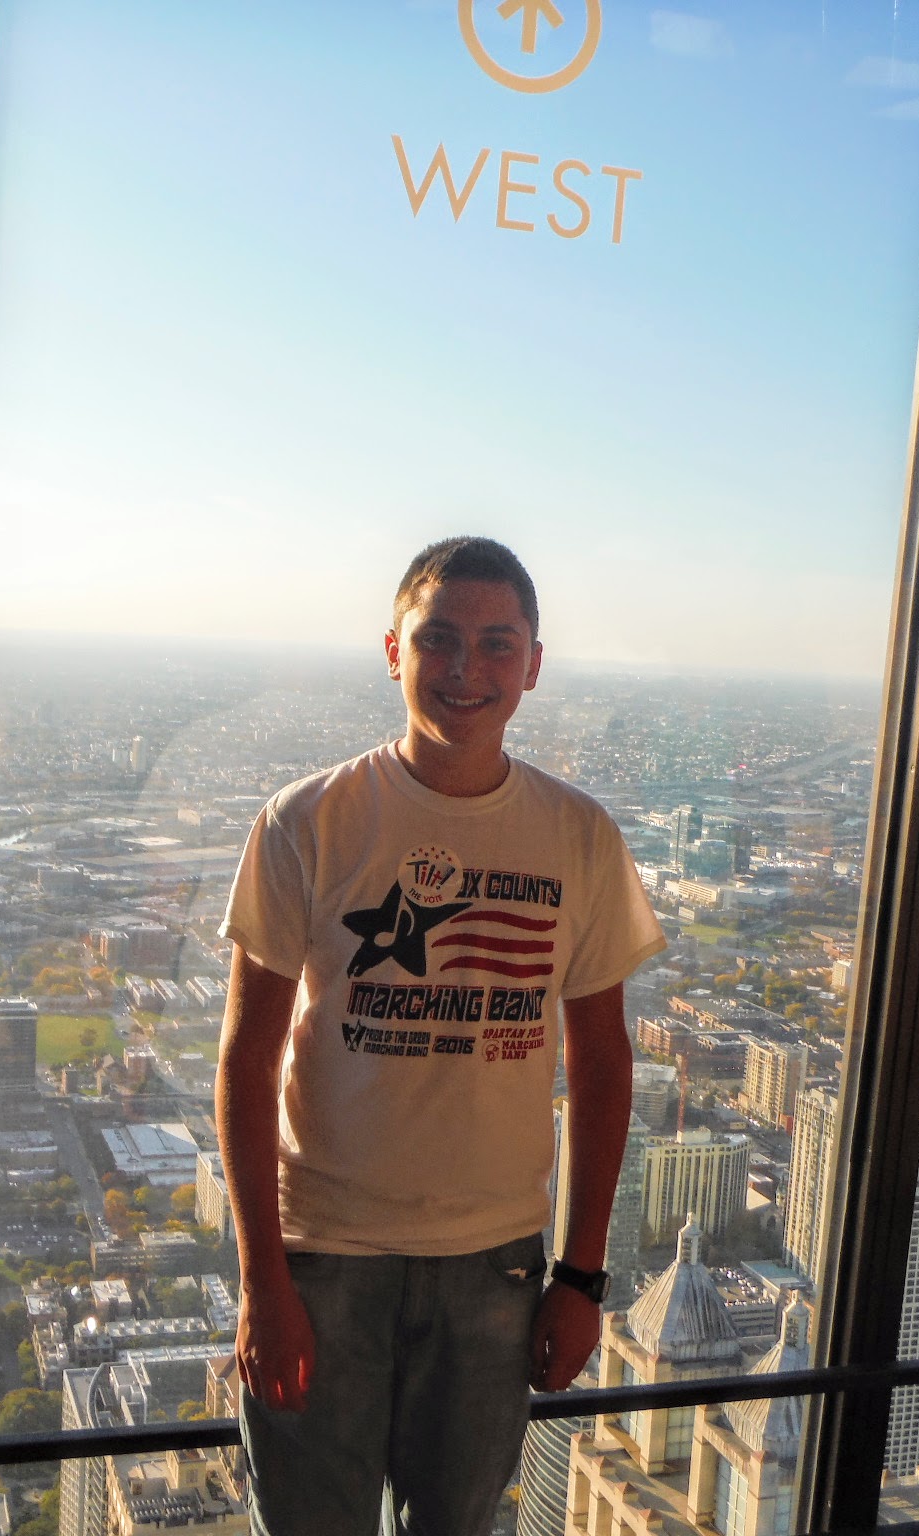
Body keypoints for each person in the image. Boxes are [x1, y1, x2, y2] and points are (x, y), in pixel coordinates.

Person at [215, 536, 665, 1535]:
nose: (467, 669)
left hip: (493, 1266)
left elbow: (601, 1065)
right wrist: (262, 1284)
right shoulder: (307, 821)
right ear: (393, 652)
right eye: (438, 639)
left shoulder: (579, 837)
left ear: (533, 665)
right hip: (321, 1258)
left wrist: (580, 1278)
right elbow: (245, 1063)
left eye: (497, 643)